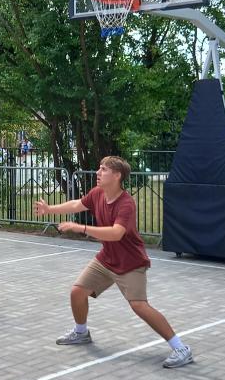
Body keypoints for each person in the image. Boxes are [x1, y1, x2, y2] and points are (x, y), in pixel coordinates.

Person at [34, 156, 194, 368]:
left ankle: (181, 348)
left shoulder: (126, 203)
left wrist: (80, 228)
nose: (98, 173)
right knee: (77, 292)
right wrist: (50, 209)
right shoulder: (97, 193)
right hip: (106, 259)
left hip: (130, 262)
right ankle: (81, 333)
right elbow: (77, 204)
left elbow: (116, 233)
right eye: (99, 169)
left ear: (117, 176)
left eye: (103, 169)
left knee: (139, 306)